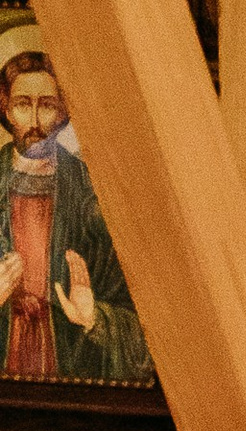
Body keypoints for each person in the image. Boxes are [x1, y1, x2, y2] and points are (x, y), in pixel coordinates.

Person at [0, 47, 146, 382]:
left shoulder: (94, 193)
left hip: (71, 366)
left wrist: (95, 317)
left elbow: (150, 331)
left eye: (47, 105)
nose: (35, 122)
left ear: (63, 112)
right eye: (23, 104)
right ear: (7, 109)